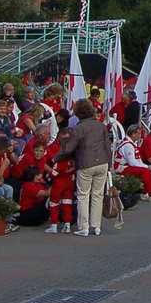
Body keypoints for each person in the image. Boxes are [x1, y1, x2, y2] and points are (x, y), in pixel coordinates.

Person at [56, 99, 112, 236]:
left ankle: (83, 227)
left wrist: (56, 158)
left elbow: (69, 148)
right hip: (102, 163)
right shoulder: (101, 126)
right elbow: (107, 147)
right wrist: (109, 164)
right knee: (97, 195)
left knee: (83, 195)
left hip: (85, 163)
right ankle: (96, 226)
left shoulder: (78, 129)